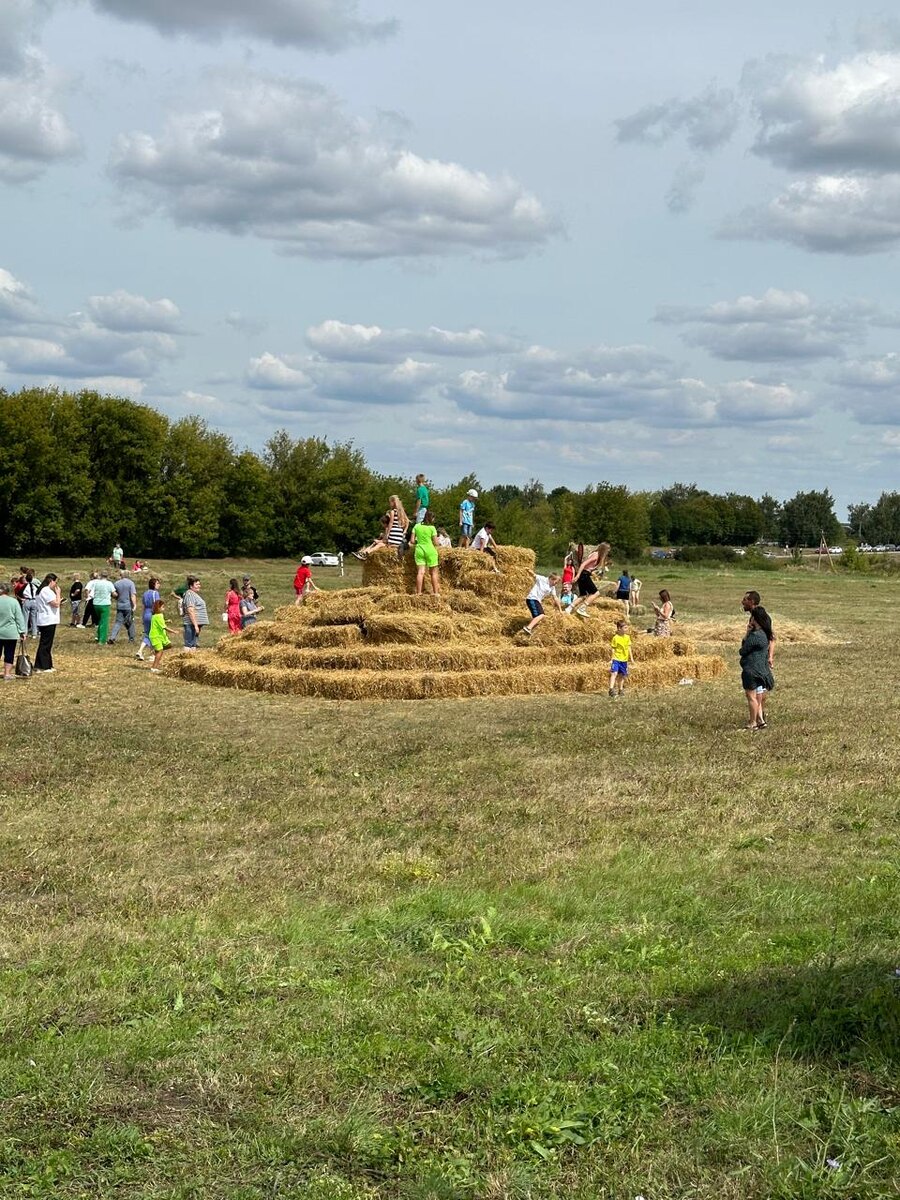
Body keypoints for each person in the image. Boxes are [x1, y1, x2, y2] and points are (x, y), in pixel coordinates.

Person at [739, 608, 774, 730]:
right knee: (758, 695)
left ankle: (752, 722)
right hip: (762, 669)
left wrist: (747, 633)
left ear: (755, 620)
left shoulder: (754, 636)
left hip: (751, 669)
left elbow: (742, 650)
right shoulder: (765, 635)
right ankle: (761, 720)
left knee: (751, 697)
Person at [569, 542, 611, 619]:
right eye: (607, 549)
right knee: (596, 593)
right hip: (584, 574)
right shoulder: (596, 555)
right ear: (604, 549)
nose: (608, 551)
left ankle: (568, 609)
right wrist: (578, 575)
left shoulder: (596, 555)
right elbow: (583, 564)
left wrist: (592, 573)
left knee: (583, 595)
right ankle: (582, 608)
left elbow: (589, 567)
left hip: (585, 574)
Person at [34, 573, 61, 673]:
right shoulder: (46, 590)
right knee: (45, 644)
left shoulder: (42, 590)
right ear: (51, 581)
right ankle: (43, 666)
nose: (56, 585)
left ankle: (47, 664)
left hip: (46, 619)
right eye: (55, 582)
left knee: (46, 644)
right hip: (47, 620)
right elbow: (56, 603)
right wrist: (58, 593)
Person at [410, 508, 441, 595]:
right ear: (431, 518)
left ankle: (419, 593)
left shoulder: (416, 526)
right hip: (430, 550)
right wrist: (439, 543)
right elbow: (436, 543)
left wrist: (419, 542)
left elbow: (412, 541)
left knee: (420, 572)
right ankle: (436, 593)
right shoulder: (432, 528)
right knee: (433, 573)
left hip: (419, 550)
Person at [0, 582, 26, 681]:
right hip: (10, 632)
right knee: (9, 653)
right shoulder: (13, 602)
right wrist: (22, 631)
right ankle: (7, 674)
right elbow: (19, 618)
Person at [109, 569, 137, 645]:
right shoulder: (131, 583)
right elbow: (132, 595)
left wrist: (117, 598)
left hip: (120, 605)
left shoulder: (117, 583)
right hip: (128, 606)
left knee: (118, 622)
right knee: (130, 622)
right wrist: (134, 605)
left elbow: (113, 594)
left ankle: (112, 637)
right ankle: (131, 639)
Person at [136, 576, 162, 661]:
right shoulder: (155, 593)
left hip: (146, 614)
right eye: (157, 583)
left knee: (148, 634)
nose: (159, 585)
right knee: (154, 634)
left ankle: (141, 651)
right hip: (153, 614)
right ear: (153, 584)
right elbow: (157, 604)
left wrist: (143, 616)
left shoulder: (145, 593)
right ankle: (152, 654)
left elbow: (143, 606)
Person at [609, 619, 634, 698]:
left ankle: (620, 689)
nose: (627, 629)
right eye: (625, 628)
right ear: (619, 628)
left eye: (627, 627)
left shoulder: (627, 637)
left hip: (624, 660)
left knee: (622, 675)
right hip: (616, 659)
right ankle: (611, 689)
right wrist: (612, 658)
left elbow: (629, 648)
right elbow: (613, 649)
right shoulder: (615, 638)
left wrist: (632, 659)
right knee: (614, 673)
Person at [182, 577, 208, 650]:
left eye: (199, 584)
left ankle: (192, 658)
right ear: (191, 586)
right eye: (196, 584)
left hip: (194, 624)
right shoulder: (189, 594)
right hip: (191, 624)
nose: (199, 586)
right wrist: (195, 625)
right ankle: (187, 658)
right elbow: (190, 610)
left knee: (193, 644)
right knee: (189, 643)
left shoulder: (194, 594)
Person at [148, 599, 174, 673]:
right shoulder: (158, 616)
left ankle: (155, 652)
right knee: (160, 652)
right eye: (162, 607)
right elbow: (164, 627)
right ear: (158, 608)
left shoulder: (157, 616)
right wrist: (174, 631)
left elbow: (160, 622)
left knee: (169, 645)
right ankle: (154, 668)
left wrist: (166, 621)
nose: (164, 608)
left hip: (159, 636)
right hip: (156, 636)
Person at [91, 571, 117, 644]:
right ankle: (102, 640)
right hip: (105, 604)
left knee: (100, 621)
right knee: (104, 622)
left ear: (100, 576)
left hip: (96, 603)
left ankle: (99, 636)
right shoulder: (109, 583)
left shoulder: (96, 583)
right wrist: (118, 596)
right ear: (107, 576)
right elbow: (114, 593)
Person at [20, 571, 39, 638]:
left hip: (27, 600)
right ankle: (34, 633)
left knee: (25, 618)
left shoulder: (24, 586)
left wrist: (22, 598)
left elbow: (19, 593)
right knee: (34, 618)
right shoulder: (36, 585)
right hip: (34, 601)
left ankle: (25, 633)